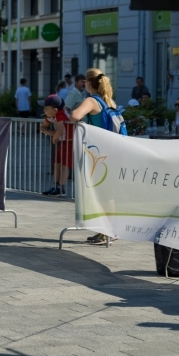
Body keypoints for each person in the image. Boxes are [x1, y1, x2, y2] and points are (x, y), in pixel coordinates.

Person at [70, 67, 122, 246]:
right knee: (108, 195)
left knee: (100, 194)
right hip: (112, 152)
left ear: (88, 83)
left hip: (99, 155)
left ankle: (107, 232)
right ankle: (108, 231)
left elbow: (75, 116)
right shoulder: (109, 101)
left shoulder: (92, 101)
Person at [39, 95, 73, 197]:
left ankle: (61, 188)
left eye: (46, 108)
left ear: (54, 110)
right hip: (62, 141)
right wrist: (49, 131)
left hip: (69, 142)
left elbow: (60, 130)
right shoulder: (52, 116)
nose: (44, 110)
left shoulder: (61, 115)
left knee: (64, 165)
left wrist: (53, 136)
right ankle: (55, 186)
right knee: (56, 163)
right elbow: (43, 126)